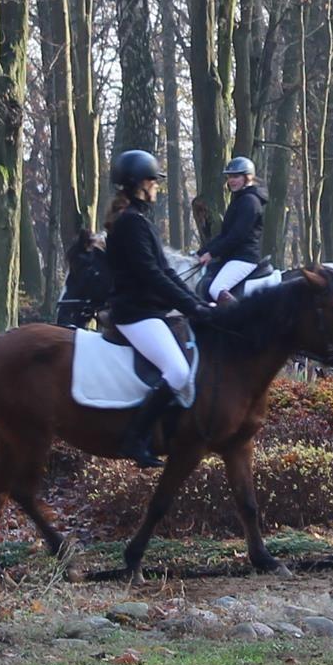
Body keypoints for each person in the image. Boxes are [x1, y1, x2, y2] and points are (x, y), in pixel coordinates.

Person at [104, 149, 216, 467]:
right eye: (154, 181)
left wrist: (196, 304)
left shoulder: (139, 221)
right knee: (178, 372)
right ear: (140, 184)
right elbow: (151, 275)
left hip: (150, 311)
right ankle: (134, 439)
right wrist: (193, 309)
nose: (157, 187)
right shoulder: (130, 224)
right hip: (135, 314)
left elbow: (165, 270)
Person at [201, 156, 267, 299]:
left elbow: (237, 236)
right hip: (232, 257)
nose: (231, 180)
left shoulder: (250, 202)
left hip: (244, 258)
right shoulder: (239, 199)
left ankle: (237, 319)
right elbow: (224, 234)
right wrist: (201, 253)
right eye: (230, 177)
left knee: (217, 289)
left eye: (236, 176)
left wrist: (211, 254)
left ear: (248, 177)